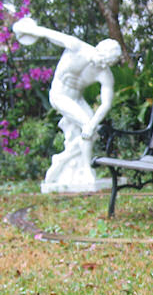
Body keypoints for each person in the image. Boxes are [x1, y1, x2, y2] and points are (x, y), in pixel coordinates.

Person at [12, 17, 122, 189]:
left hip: (76, 98)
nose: (102, 65)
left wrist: (92, 124)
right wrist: (25, 29)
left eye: (107, 64)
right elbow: (47, 33)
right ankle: (86, 170)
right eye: (102, 59)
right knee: (87, 125)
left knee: (91, 131)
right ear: (99, 50)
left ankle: (63, 159)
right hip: (59, 96)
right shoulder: (76, 46)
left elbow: (106, 103)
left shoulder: (104, 73)